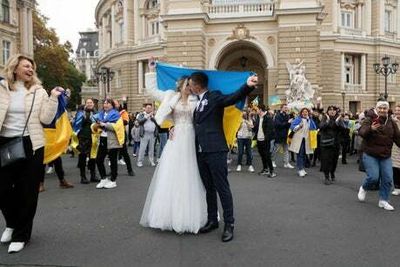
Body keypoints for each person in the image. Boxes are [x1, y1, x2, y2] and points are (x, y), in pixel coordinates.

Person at [0, 54, 60, 253]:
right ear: (15, 67)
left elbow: (45, 118)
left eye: (32, 67)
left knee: (27, 192)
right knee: (4, 189)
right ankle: (12, 223)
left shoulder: (39, 91)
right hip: (4, 142)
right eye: (26, 66)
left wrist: (53, 98)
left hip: (31, 144)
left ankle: (21, 235)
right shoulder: (2, 88)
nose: (30, 69)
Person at [190, 71, 257, 242]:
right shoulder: (196, 103)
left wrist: (247, 86)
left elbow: (231, 98)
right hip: (201, 150)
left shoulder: (214, 96)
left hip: (215, 149)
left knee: (222, 187)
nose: (189, 87)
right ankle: (212, 220)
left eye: (190, 83)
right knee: (209, 188)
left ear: (197, 85)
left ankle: (229, 224)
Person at [140, 63, 207, 233]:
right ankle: (167, 215)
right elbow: (152, 91)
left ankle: (192, 214)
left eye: (192, 85)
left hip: (191, 137)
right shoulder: (170, 96)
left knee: (190, 172)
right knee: (171, 172)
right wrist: (151, 71)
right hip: (175, 138)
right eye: (188, 84)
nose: (191, 87)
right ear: (182, 84)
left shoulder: (196, 99)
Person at [357, 100, 400, 211]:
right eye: (380, 108)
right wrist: (370, 129)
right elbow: (361, 132)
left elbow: (398, 138)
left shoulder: (391, 122)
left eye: (384, 108)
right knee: (373, 177)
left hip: (385, 155)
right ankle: (364, 187)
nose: (382, 110)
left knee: (388, 178)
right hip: (370, 153)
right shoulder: (369, 119)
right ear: (376, 108)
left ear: (387, 110)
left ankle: (383, 200)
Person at [92, 99, 123, 189]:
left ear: (112, 105)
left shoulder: (116, 114)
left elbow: (117, 127)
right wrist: (96, 125)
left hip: (113, 140)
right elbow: (95, 125)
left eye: (108, 103)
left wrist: (104, 124)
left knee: (113, 161)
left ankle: (113, 180)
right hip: (102, 139)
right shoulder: (100, 114)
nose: (105, 105)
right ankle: (103, 178)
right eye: (104, 103)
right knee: (99, 159)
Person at [72, 98, 99, 184]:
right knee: (82, 157)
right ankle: (83, 177)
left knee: (93, 157)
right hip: (83, 137)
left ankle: (93, 175)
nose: (89, 104)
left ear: (93, 104)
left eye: (91, 102)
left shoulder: (96, 113)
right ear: (85, 104)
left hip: (93, 138)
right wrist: (85, 118)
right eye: (88, 102)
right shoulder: (81, 113)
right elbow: (76, 124)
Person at [318, 106, 344, 185]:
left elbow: (344, 129)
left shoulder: (338, 119)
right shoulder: (325, 118)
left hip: (335, 143)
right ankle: (326, 177)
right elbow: (321, 127)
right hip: (326, 143)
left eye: (333, 110)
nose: (332, 111)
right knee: (326, 160)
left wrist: (337, 122)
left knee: (334, 160)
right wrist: (327, 121)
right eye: (330, 110)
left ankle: (332, 173)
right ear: (328, 111)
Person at [289, 107, 317, 177]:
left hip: (306, 140)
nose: (305, 113)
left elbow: (314, 128)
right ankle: (300, 169)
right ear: (301, 113)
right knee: (300, 154)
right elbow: (292, 127)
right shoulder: (298, 119)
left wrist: (310, 120)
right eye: (303, 112)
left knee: (304, 154)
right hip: (299, 140)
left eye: (306, 112)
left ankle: (302, 168)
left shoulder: (309, 120)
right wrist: (299, 126)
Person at [253, 104, 276, 177]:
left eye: (257, 109)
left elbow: (270, 130)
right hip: (259, 139)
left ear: (260, 109)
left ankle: (272, 171)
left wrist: (267, 139)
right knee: (262, 155)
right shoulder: (258, 117)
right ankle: (265, 169)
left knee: (267, 155)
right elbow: (256, 128)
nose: (256, 111)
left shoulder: (268, 117)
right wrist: (252, 127)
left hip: (265, 140)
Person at [114, 100, 134, 176]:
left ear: (119, 104)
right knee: (113, 154)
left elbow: (126, 122)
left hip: (121, 134)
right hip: (113, 134)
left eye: (116, 104)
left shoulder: (123, 112)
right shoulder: (110, 112)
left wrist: (115, 119)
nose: (115, 105)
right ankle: (113, 171)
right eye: (114, 104)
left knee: (125, 153)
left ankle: (130, 170)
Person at [272, 104, 294, 169]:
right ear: (281, 108)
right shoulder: (277, 115)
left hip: (285, 135)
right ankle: (272, 161)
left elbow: (288, 126)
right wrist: (288, 122)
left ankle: (286, 163)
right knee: (276, 150)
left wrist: (289, 123)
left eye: (286, 107)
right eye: (285, 108)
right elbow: (278, 125)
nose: (286, 109)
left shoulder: (287, 115)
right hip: (279, 135)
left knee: (286, 150)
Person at [392, 105, 400, 196]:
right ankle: (397, 187)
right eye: (396, 110)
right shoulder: (393, 121)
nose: (397, 112)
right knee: (395, 168)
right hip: (394, 147)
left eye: (399, 110)